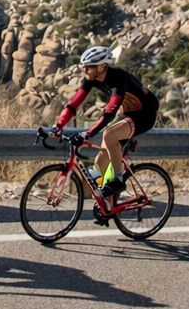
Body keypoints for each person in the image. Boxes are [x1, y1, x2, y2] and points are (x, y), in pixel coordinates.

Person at [46, 45, 158, 198]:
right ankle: (107, 204)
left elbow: (109, 114)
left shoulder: (119, 78)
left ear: (102, 66)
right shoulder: (91, 78)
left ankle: (118, 179)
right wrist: (58, 125)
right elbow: (74, 104)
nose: (84, 71)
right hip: (127, 113)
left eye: (88, 68)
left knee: (109, 134)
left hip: (144, 114)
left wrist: (88, 133)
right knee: (100, 161)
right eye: (83, 67)